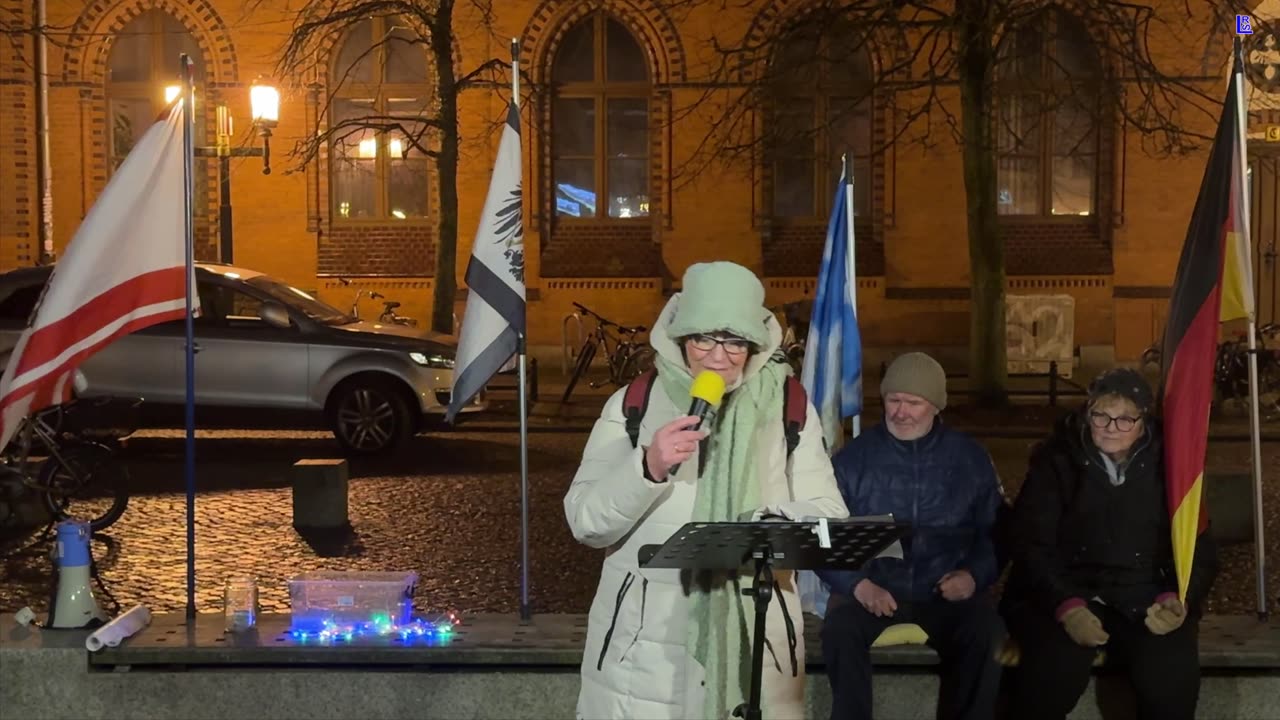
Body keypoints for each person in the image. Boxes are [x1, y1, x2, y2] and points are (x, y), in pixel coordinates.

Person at [564, 261, 850, 720]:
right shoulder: (633, 403)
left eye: (735, 341)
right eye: (704, 339)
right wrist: (648, 467)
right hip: (644, 660)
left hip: (757, 646)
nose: (719, 357)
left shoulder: (789, 407)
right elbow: (585, 522)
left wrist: (776, 522)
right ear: (681, 337)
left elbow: (829, 517)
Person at [1000, 367, 1218, 720]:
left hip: (1147, 594)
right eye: (1101, 416)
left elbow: (1201, 549)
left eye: (1124, 419)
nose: (1111, 428)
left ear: (1144, 420)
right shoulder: (1056, 461)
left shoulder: (1175, 468)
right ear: (1088, 413)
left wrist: (1178, 598)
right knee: (1051, 674)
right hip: (1066, 592)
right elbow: (1029, 542)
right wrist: (1067, 606)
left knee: (1169, 681)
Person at [817, 352, 1006, 720]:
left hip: (946, 592)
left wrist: (973, 576)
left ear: (935, 406)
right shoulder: (853, 460)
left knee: (987, 635)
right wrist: (858, 585)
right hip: (874, 589)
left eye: (913, 403)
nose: (900, 412)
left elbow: (995, 533)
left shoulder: (970, 459)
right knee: (839, 632)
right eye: (893, 400)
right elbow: (826, 536)